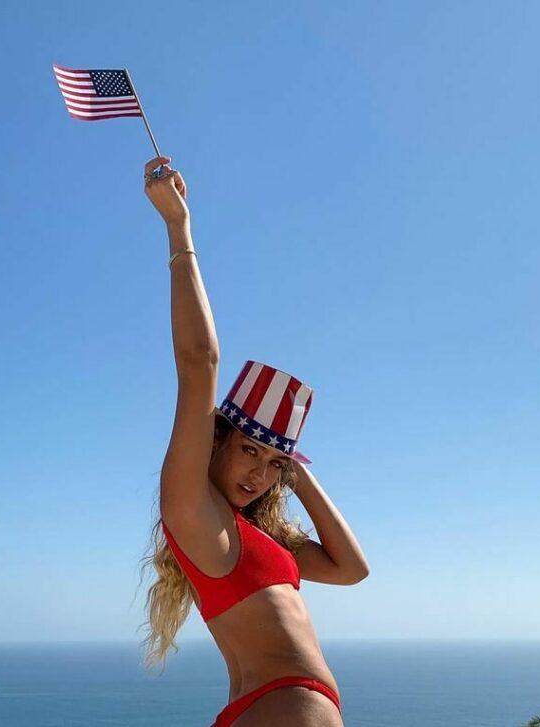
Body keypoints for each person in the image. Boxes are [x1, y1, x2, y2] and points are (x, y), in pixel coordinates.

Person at [137, 155, 370, 727]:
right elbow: (199, 361)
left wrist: (297, 469)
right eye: (249, 449)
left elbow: (351, 568)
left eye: (273, 463)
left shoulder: (251, 535)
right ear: (217, 439)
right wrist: (177, 227)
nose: (259, 473)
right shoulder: (193, 509)